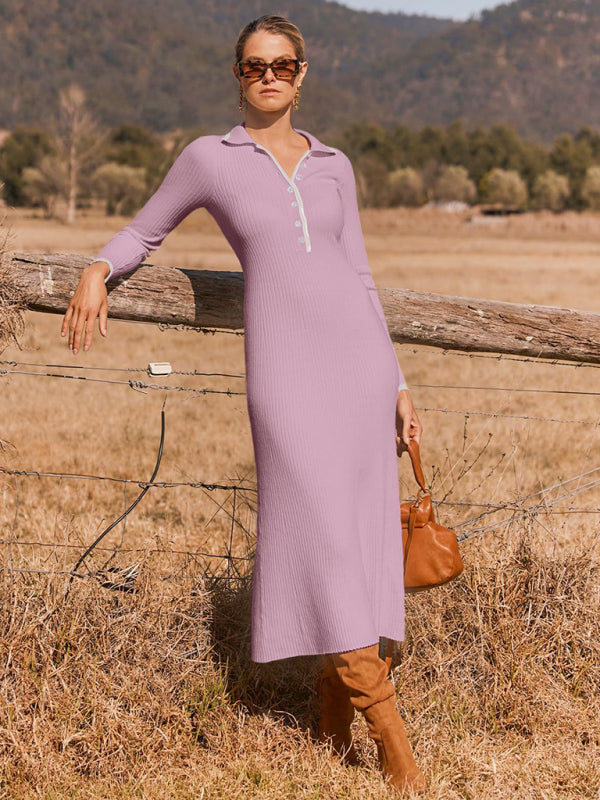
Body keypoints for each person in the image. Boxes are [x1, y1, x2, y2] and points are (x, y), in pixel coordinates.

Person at [60, 14, 425, 795]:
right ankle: (393, 742)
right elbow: (144, 231)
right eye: (255, 65)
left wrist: (396, 382)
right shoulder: (209, 159)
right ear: (237, 73)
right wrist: (97, 267)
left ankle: (334, 715)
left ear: (303, 73)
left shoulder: (334, 165)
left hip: (361, 374)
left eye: (283, 64)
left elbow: (359, 278)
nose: (270, 76)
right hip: (285, 382)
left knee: (360, 545)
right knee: (324, 541)